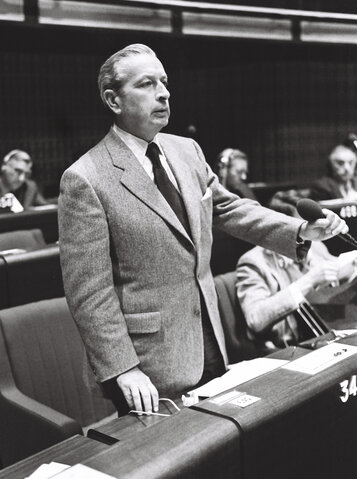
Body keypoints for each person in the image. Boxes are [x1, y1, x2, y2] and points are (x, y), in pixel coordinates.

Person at [58, 43, 347, 417]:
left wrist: (300, 232)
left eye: (164, 81)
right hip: (147, 362)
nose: (163, 92)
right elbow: (88, 293)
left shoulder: (186, 151)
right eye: (146, 84)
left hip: (209, 338)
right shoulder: (86, 178)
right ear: (113, 100)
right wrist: (122, 368)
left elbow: (229, 208)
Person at [236, 192, 357, 351]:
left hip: (327, 333)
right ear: (281, 227)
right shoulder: (253, 262)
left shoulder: (314, 246)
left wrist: (352, 267)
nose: (309, 235)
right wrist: (309, 280)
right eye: (303, 230)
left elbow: (335, 273)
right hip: (290, 347)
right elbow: (255, 319)